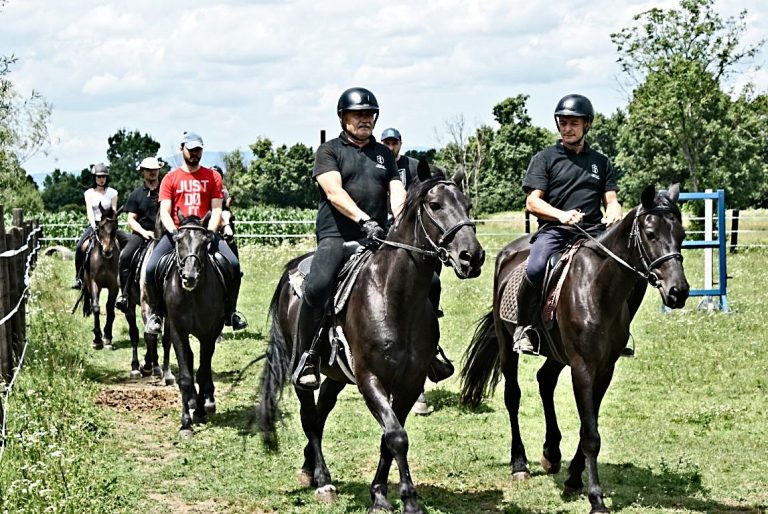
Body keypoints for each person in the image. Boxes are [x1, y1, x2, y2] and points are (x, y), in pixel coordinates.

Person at [291, 87, 407, 390]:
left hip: (379, 237)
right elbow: (334, 192)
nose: (365, 119)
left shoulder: (383, 153)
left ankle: (427, 349)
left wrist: (400, 215)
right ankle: (307, 356)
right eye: (358, 114)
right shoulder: (329, 151)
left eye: (369, 114)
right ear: (344, 118)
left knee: (425, 280)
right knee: (317, 286)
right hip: (338, 236)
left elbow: (396, 188)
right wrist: (363, 219)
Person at [514, 94, 622, 353]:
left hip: (594, 232)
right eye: (563, 122)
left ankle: (619, 330)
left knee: (625, 269)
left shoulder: (600, 162)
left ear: (587, 125)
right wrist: (561, 215)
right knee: (536, 267)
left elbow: (612, 199)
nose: (567, 128)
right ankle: (525, 328)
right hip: (556, 231)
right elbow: (533, 202)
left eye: (574, 123)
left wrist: (614, 212)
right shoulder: (545, 158)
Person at [143, 131, 247, 334]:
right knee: (151, 268)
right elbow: (165, 210)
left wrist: (209, 233)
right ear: (182, 149)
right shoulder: (170, 178)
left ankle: (230, 313)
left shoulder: (212, 177)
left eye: (198, 150)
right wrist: (173, 232)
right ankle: (156, 314)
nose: (194, 154)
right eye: (190, 150)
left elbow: (217, 208)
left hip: (205, 234)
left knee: (233, 265)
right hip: (178, 234)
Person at [381, 127, 444, 415]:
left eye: (394, 142)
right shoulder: (374, 164)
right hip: (374, 235)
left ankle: (431, 351)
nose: (391, 146)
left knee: (431, 282)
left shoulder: (410, 166)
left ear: (400, 144)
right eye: (387, 143)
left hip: (405, 239)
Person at [115, 157, 163, 313]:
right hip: (141, 234)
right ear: (143, 172)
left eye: (155, 170)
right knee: (125, 256)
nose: (152, 173)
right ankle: (125, 294)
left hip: (164, 233)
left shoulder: (166, 191)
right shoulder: (136, 195)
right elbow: (131, 220)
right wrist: (144, 232)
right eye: (149, 170)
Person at [71, 163, 119, 289]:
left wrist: (111, 225)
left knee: (124, 245)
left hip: (109, 226)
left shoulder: (113, 193)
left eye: (103, 177)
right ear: (94, 178)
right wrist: (94, 226)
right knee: (80, 246)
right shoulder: (88, 193)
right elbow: (89, 211)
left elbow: (114, 211)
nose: (101, 179)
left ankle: (123, 278)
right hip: (95, 225)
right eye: (98, 177)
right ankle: (79, 277)